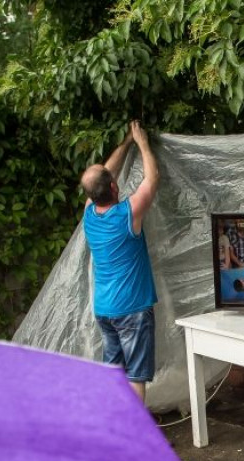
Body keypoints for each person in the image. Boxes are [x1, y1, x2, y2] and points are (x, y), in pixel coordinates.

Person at [79, 120, 159, 403]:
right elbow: (152, 179)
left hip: (104, 309)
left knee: (114, 372)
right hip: (132, 309)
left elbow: (103, 175)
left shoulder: (89, 212)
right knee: (136, 375)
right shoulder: (128, 213)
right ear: (114, 187)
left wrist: (124, 143)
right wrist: (142, 143)